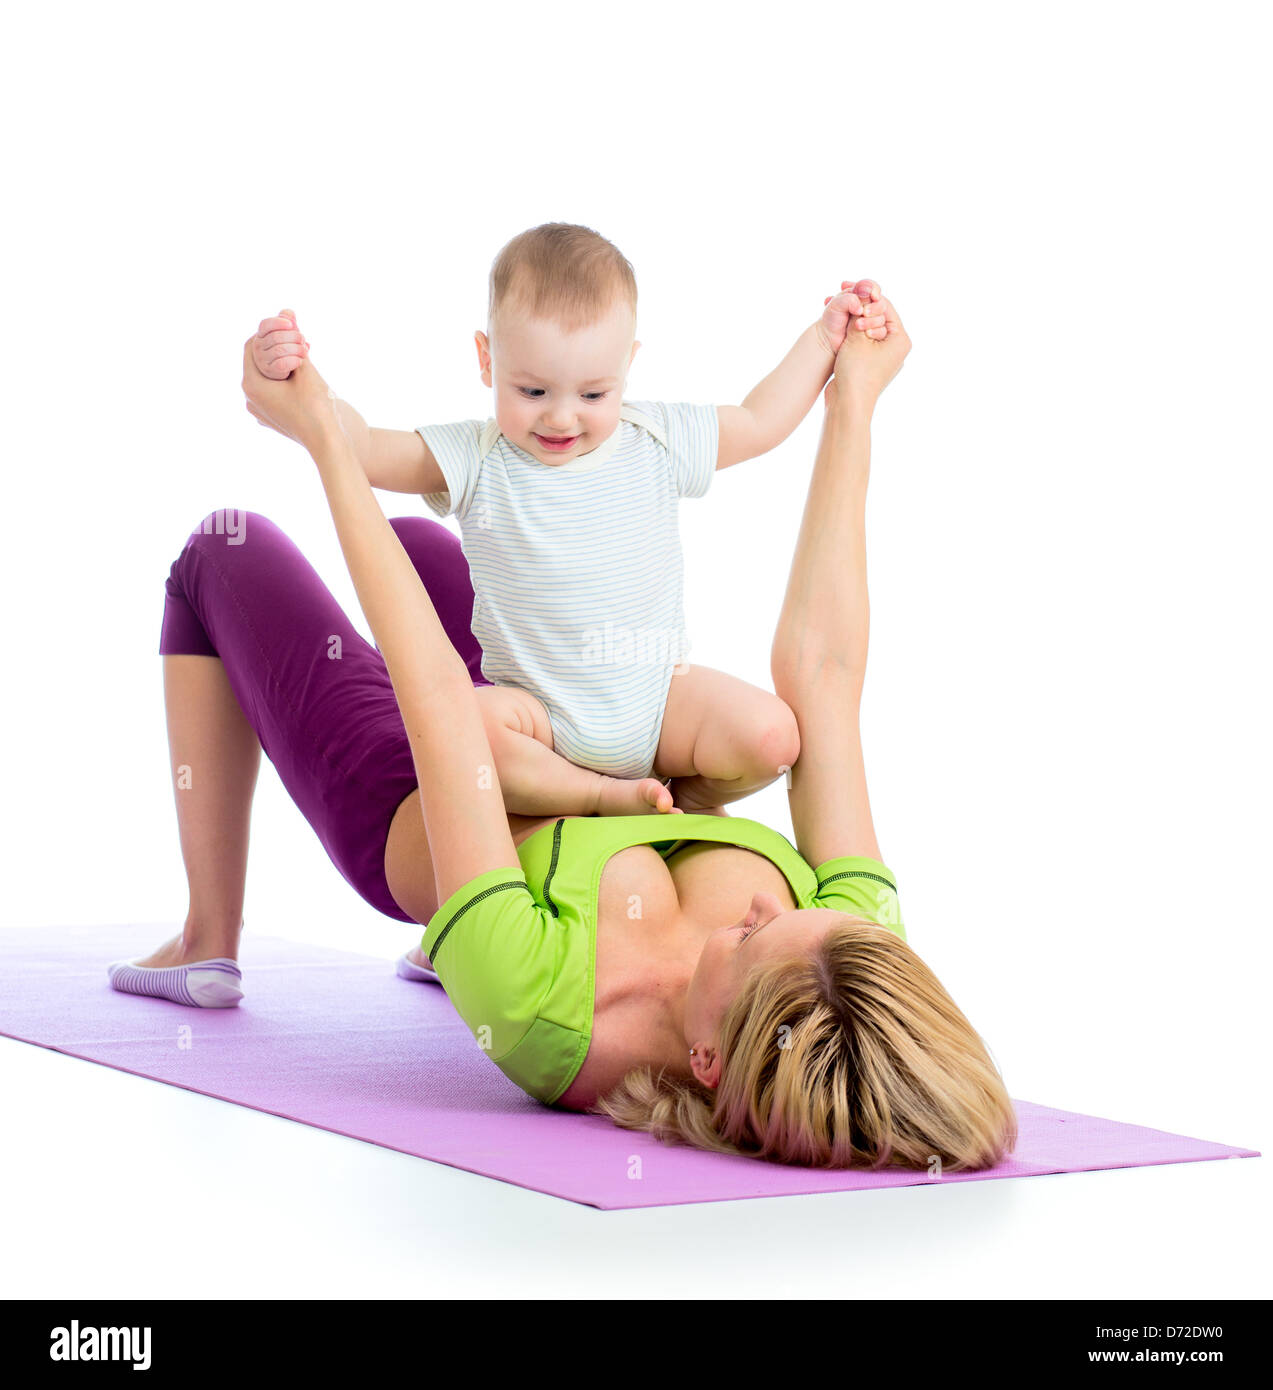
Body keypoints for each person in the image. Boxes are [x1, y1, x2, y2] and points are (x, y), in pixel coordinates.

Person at [110, 288, 1017, 1170]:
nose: (765, 903)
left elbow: (437, 714)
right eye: (794, 912)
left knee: (223, 550)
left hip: (414, 786)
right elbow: (823, 678)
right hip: (542, 729)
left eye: (750, 936)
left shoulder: (547, 1005)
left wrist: (324, 444)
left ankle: (206, 934)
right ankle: (451, 937)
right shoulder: (849, 957)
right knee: (430, 545)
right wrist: (853, 401)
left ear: (706, 1060)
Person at [250, 223, 889, 819]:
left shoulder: (655, 437)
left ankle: (676, 795)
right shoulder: (475, 456)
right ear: (486, 359)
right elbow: (362, 450)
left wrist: (823, 339)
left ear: (627, 366)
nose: (561, 418)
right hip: (539, 721)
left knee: (773, 735)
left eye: (592, 394)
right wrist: (306, 384)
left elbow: (760, 420)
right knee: (465, 729)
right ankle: (595, 796)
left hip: (660, 706)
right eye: (532, 392)